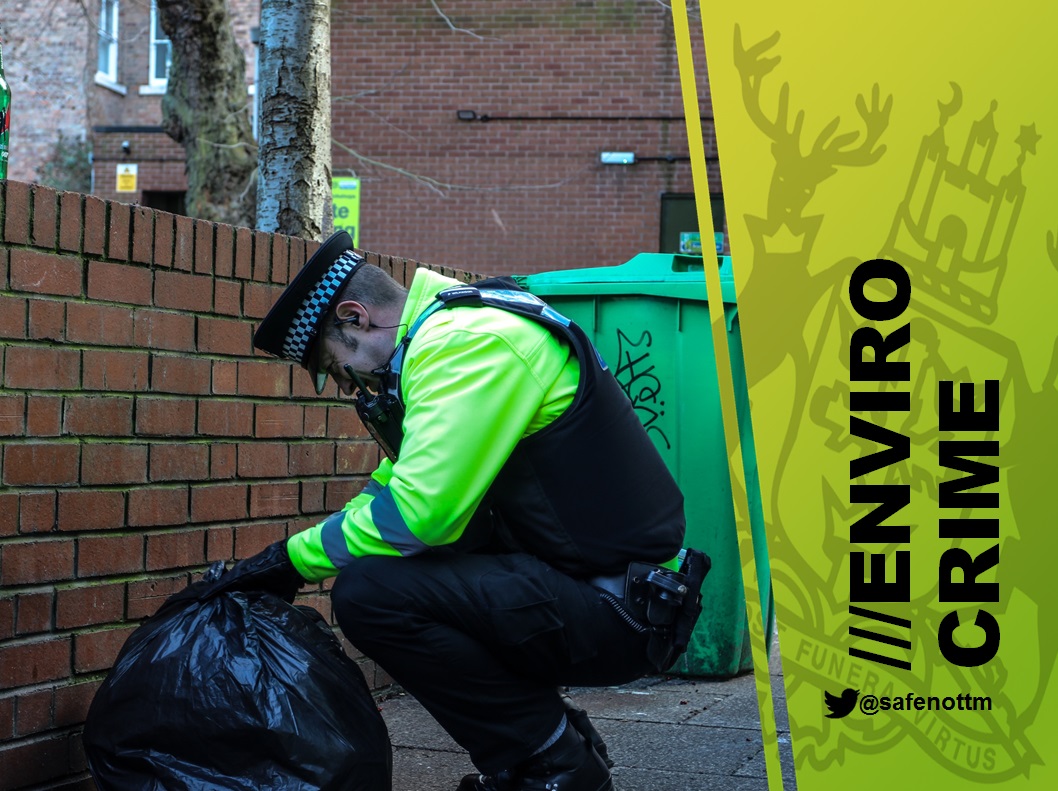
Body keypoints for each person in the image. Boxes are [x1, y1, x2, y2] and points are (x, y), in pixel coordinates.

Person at [226, 231, 707, 791]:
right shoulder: (461, 327)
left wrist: (290, 561)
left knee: (373, 596)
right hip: (616, 590)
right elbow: (398, 484)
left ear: (354, 318)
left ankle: (554, 764)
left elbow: (419, 514)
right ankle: (551, 742)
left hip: (620, 608)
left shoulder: (466, 343)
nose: (346, 386)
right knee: (405, 576)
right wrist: (286, 555)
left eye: (337, 370)